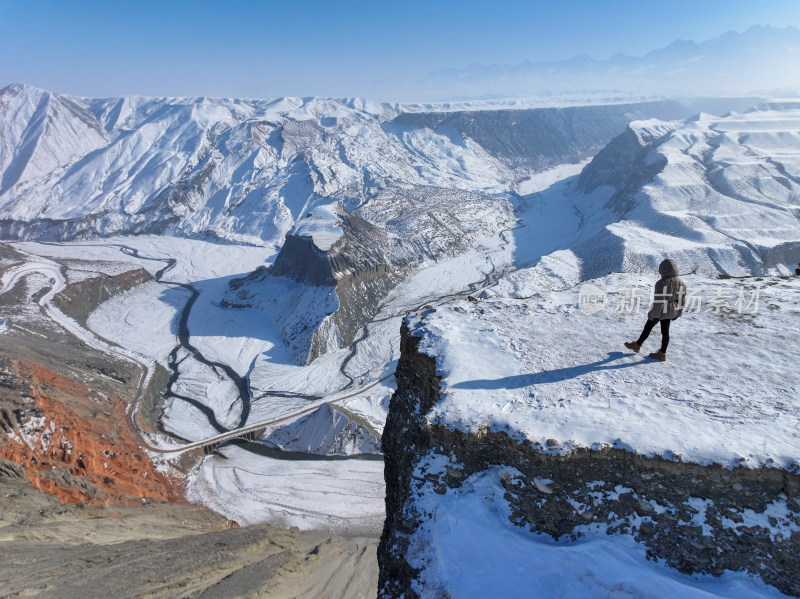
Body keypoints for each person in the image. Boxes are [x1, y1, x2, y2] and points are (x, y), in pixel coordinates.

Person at [624, 259, 687, 361]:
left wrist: (655, 315)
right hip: (671, 310)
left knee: (648, 327)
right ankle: (662, 353)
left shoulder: (661, 283)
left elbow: (659, 301)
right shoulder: (681, 283)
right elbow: (681, 300)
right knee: (665, 332)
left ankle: (637, 345)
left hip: (661, 311)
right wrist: (678, 313)